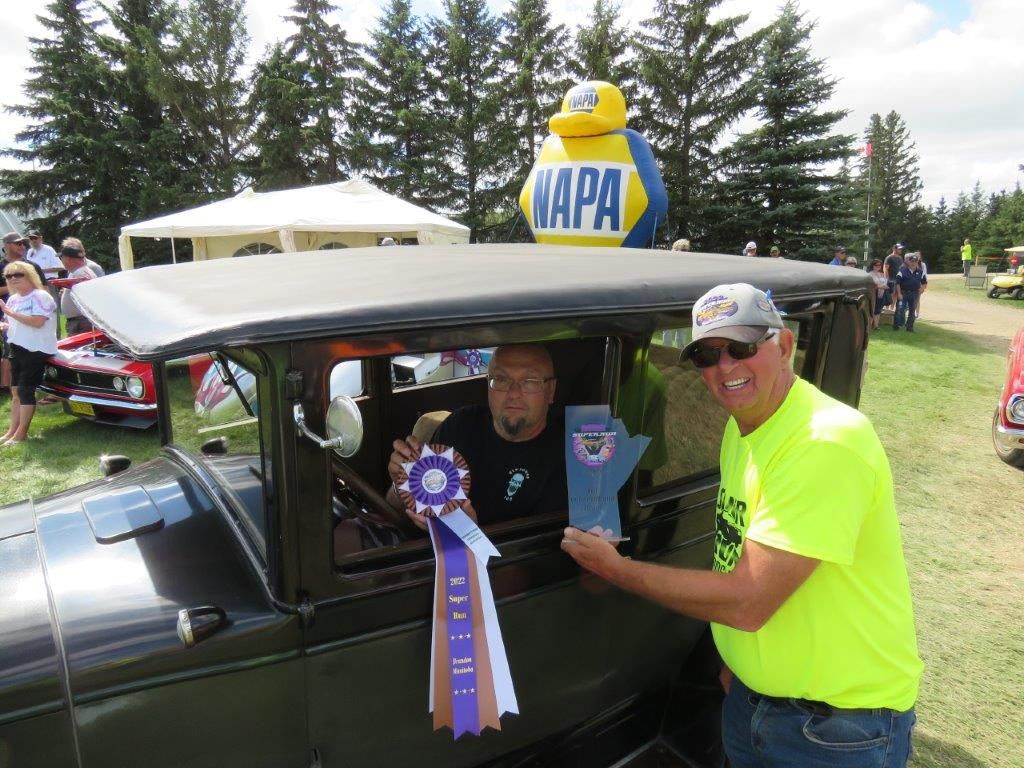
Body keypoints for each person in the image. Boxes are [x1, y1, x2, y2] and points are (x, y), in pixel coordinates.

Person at [561, 283, 921, 767]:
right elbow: (736, 547)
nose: (725, 367)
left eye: (743, 347)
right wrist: (737, 664)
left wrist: (617, 570)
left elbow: (749, 600)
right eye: (708, 355)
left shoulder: (825, 442)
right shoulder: (743, 424)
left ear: (786, 346)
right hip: (755, 700)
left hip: (836, 727)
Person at [386, 344, 566, 527]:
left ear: (551, 390)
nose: (513, 393)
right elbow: (398, 510)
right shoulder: (460, 425)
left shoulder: (568, 456)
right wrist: (401, 483)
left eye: (529, 381)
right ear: (488, 385)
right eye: (502, 379)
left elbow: (542, 550)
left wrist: (467, 532)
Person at [0, 261, 58, 446]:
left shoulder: (41, 296)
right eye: (9, 276)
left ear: (29, 275)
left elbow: (37, 322)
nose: (13, 279)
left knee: (26, 389)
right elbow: (15, 323)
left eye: (18, 274)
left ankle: (21, 434)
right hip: (16, 348)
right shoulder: (14, 299)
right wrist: (5, 324)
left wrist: (10, 313)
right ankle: (11, 431)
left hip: (36, 349)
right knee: (15, 390)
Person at [58, 243, 98, 336]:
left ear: (67, 258)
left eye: (61, 258)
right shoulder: (81, 271)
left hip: (81, 321)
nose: (61, 261)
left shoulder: (79, 273)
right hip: (80, 320)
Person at [893, 252, 927, 332]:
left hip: (914, 293)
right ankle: (897, 325)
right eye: (912, 261)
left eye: (915, 261)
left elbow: (924, 283)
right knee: (900, 309)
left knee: (912, 311)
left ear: (917, 262)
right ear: (909, 262)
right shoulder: (902, 271)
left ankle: (910, 328)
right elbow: (897, 283)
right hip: (903, 293)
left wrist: (921, 289)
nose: (913, 263)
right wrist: (899, 293)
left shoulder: (920, 272)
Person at [883, 243, 905, 310]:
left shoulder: (900, 258)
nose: (900, 250)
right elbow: (885, 269)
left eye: (901, 249)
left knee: (896, 294)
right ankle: (887, 309)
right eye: (899, 249)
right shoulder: (889, 257)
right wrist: (887, 280)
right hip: (891, 279)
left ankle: (892, 309)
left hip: (898, 279)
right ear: (894, 249)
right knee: (890, 294)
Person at [868, 259, 888, 329]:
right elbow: (871, 285)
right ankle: (870, 324)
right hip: (873, 294)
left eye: (880, 265)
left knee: (878, 309)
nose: (878, 266)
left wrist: (884, 286)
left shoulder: (880, 274)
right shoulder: (870, 274)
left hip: (881, 293)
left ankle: (876, 325)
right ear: (872, 266)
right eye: (876, 265)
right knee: (872, 309)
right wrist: (880, 286)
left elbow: (885, 281)